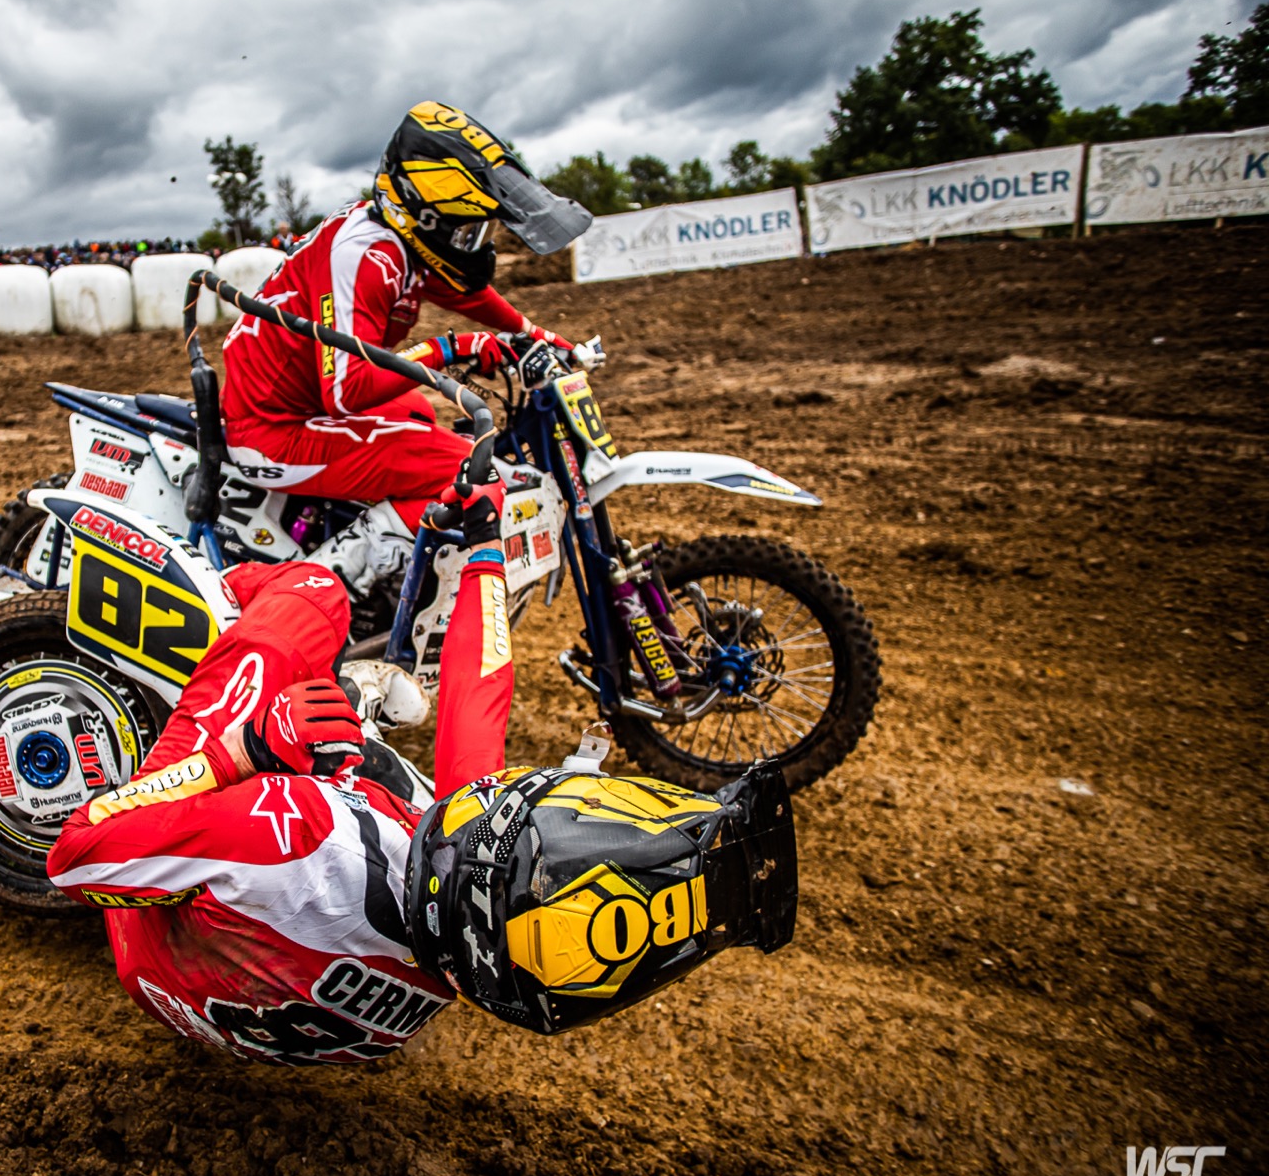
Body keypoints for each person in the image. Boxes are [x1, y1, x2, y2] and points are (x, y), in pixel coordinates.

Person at [45, 484, 794, 1064]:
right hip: (266, 990)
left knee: (313, 596)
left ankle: (215, 592)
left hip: (154, 939)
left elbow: (75, 859)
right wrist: (485, 551)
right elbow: (478, 700)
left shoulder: (290, 826)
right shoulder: (483, 956)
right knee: (378, 762)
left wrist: (241, 752)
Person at [219, 101, 592, 599]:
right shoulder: (367, 256)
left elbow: (463, 292)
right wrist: (449, 348)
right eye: (465, 231)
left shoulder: (400, 240)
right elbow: (347, 390)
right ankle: (322, 587)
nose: (472, 244)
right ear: (426, 215)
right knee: (471, 472)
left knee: (419, 412)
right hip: (273, 431)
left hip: (295, 407)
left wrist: (531, 332)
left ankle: (376, 546)